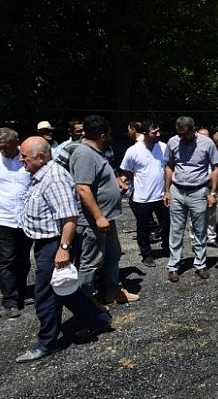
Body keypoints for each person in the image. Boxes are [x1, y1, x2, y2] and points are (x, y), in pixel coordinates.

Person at [16, 136, 112, 363]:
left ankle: (46, 343)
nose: (21, 160)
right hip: (46, 244)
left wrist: (63, 248)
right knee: (64, 289)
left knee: (45, 295)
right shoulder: (39, 175)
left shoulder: (55, 178)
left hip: (56, 243)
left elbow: (69, 218)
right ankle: (98, 319)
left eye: (25, 156)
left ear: (41, 157)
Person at [69, 115, 139, 307]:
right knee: (91, 262)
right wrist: (98, 216)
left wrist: (116, 182)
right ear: (101, 135)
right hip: (94, 220)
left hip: (107, 217)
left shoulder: (96, 151)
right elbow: (82, 188)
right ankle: (87, 303)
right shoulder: (84, 154)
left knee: (112, 255)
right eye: (108, 134)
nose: (110, 137)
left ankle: (113, 291)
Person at [164, 116, 218, 282]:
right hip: (177, 191)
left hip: (199, 191)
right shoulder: (173, 142)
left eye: (185, 134)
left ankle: (201, 264)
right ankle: (173, 266)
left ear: (193, 130)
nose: (181, 137)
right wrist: (166, 191)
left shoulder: (207, 143)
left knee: (199, 230)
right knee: (175, 230)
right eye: (179, 134)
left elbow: (215, 168)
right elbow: (169, 166)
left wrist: (213, 193)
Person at [0, 128, 33, 319]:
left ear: (17, 142)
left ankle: (22, 291)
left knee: (23, 258)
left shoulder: (27, 159)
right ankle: (9, 300)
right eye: (0, 147)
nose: (3, 151)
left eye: (7, 147)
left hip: (26, 218)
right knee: (6, 259)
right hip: (1, 217)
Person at [120, 120, 169, 267]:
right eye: (154, 132)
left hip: (161, 195)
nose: (158, 134)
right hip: (142, 197)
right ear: (145, 133)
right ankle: (147, 254)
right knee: (143, 228)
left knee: (167, 224)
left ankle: (167, 248)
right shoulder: (133, 151)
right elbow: (126, 171)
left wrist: (168, 190)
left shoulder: (163, 147)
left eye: (159, 131)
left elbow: (168, 168)